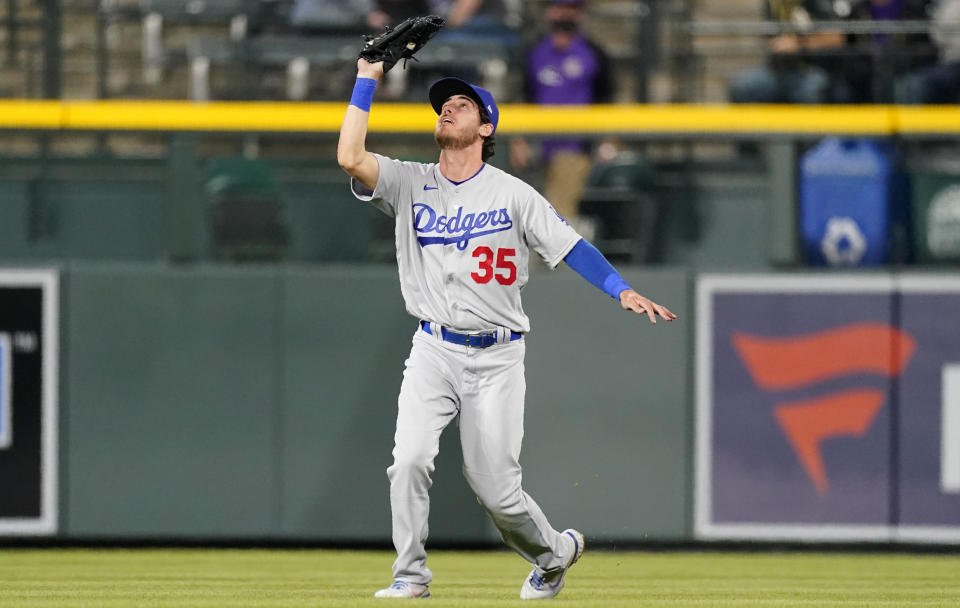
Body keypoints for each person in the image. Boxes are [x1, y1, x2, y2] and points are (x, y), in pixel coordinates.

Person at [337, 57, 677, 599]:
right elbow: (349, 156)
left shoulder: (512, 194)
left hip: (496, 357)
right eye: (443, 105)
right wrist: (367, 78)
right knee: (408, 461)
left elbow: (571, 248)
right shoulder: (409, 181)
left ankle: (553, 554)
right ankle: (410, 576)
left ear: (486, 127)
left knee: (495, 489)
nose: (447, 109)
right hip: (433, 347)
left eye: (461, 105)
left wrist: (622, 289)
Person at [510, 0, 615, 237]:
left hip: (575, 146)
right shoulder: (534, 51)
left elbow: (607, 100)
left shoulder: (594, 53)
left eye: (571, 9)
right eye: (559, 8)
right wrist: (519, 140)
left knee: (559, 212)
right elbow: (523, 97)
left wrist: (608, 141)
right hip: (537, 145)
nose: (564, 14)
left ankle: (556, 268)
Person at [728, 0, 848, 104]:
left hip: (809, 70)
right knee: (741, 87)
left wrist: (797, 44)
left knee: (811, 90)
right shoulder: (773, 3)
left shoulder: (815, 3)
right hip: (776, 70)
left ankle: (811, 130)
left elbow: (836, 38)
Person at [899, 0, 960, 104]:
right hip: (952, 63)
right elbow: (938, 35)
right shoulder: (951, 6)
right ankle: (915, 120)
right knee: (915, 84)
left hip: (953, 60)